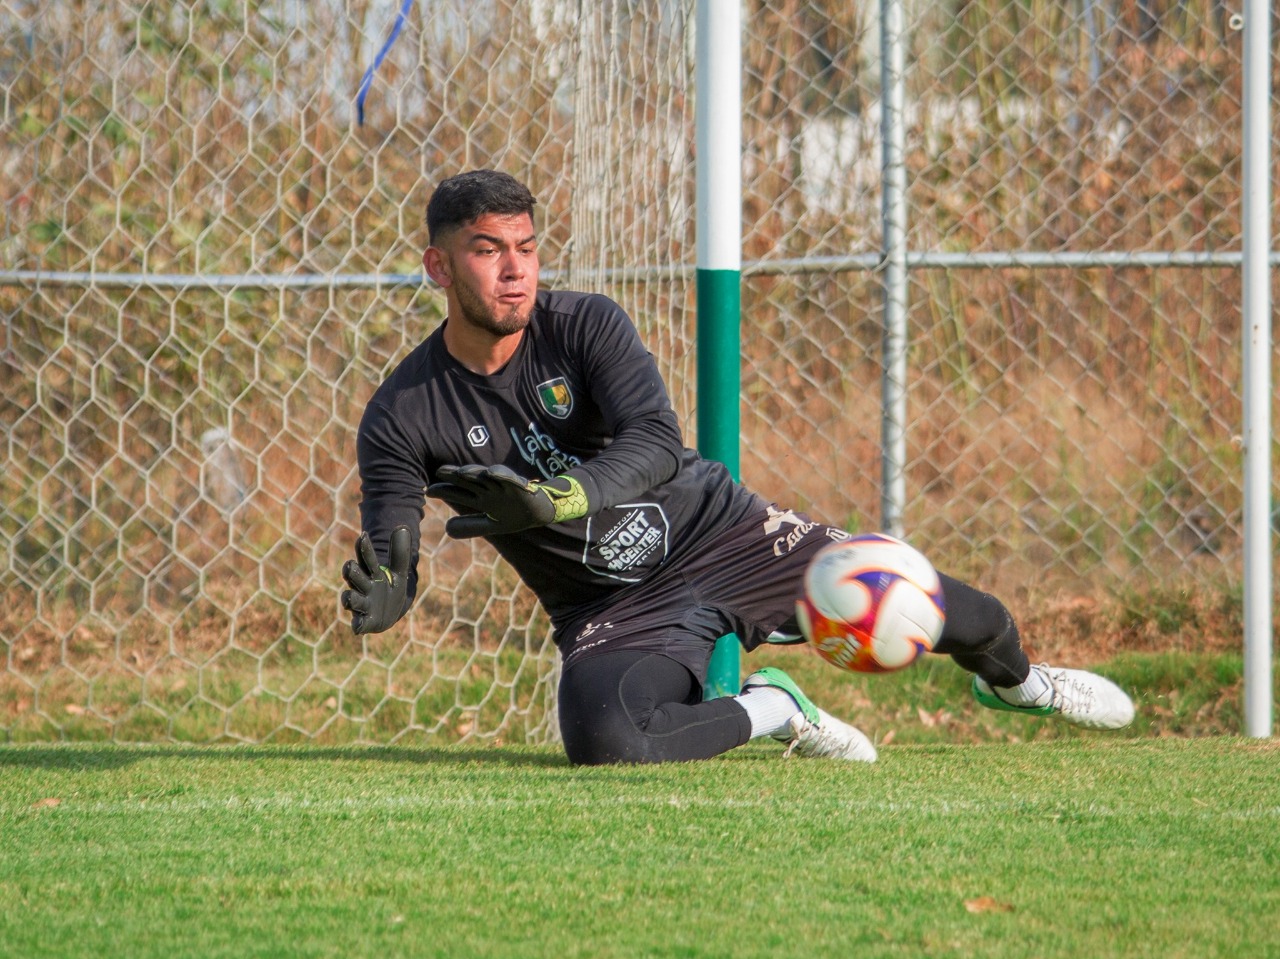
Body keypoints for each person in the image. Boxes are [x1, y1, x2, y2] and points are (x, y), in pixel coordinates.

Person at [340, 169, 1135, 765]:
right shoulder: (404, 412)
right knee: (607, 739)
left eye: (526, 247)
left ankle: (1023, 686)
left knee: (966, 615)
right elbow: (392, 536)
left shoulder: (585, 325)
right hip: (611, 606)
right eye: (487, 251)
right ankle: (773, 708)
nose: (515, 270)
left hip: (727, 534)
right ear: (439, 267)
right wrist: (390, 589)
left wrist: (557, 499)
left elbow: (655, 441)